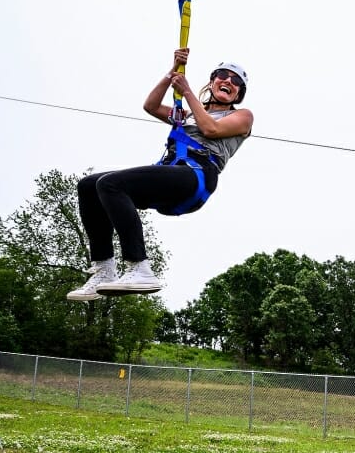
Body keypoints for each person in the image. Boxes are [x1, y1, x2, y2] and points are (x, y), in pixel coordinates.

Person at [67, 48, 254, 301]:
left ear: (239, 93)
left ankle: (139, 266)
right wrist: (172, 72)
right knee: (89, 185)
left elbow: (210, 129)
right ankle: (104, 269)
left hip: (196, 176)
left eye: (236, 82)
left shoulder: (241, 116)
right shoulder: (186, 115)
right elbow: (151, 106)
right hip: (172, 171)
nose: (228, 81)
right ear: (212, 81)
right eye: (223, 75)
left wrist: (186, 90)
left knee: (111, 185)